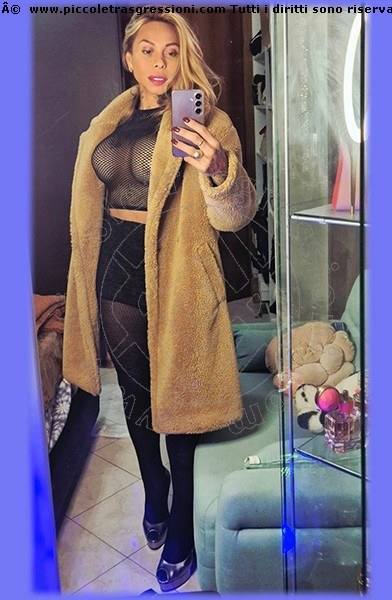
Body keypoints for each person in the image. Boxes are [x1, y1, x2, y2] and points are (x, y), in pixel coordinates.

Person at [62, 11, 258, 592]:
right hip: (115, 264)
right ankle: (155, 486)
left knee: (181, 394)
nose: (159, 63)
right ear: (129, 58)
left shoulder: (207, 121)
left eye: (171, 52)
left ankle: (182, 524)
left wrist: (218, 169)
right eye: (146, 50)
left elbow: (238, 213)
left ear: (183, 58)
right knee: (136, 393)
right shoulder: (106, 125)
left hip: (177, 271)